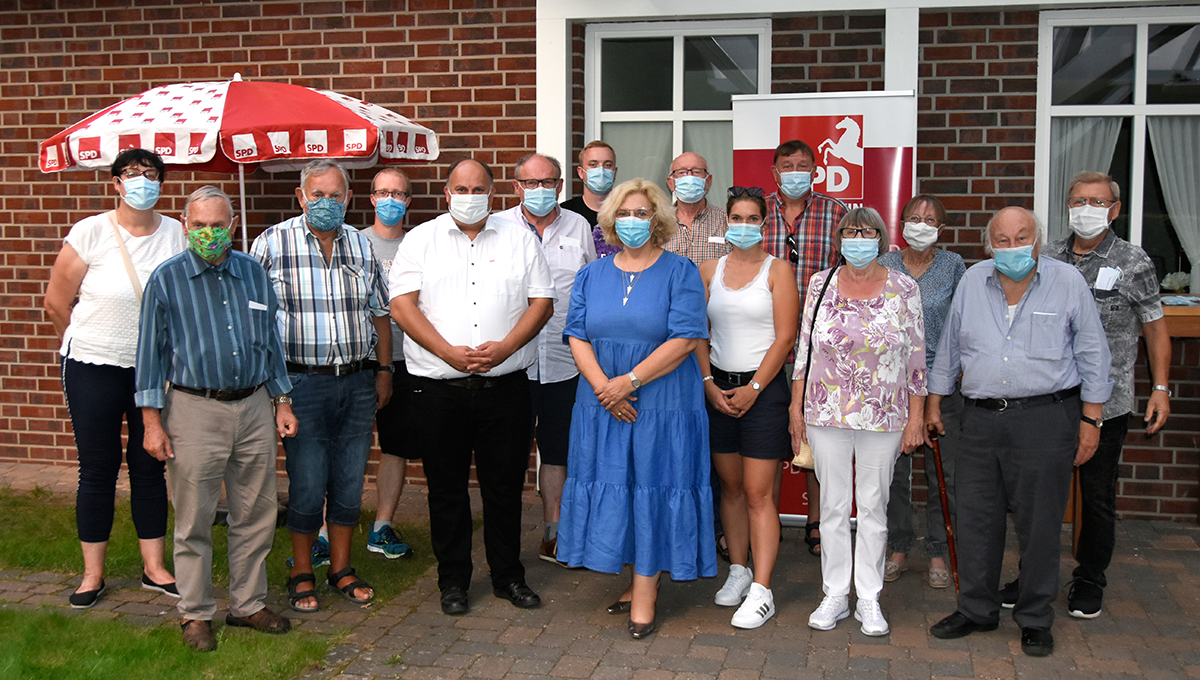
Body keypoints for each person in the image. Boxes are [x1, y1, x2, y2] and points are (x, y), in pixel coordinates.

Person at [927, 207, 1112, 657]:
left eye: (1022, 237)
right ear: (990, 245)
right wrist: (933, 403)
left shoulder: (1067, 282)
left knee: (1040, 524)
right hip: (978, 419)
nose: (1013, 248)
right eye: (1003, 240)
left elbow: (1093, 354)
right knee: (975, 519)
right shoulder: (973, 281)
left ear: (1038, 239)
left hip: (1045, 419)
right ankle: (976, 609)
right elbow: (950, 348)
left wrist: (1091, 421)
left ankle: (1034, 618)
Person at [136, 186, 298, 651]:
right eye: (200, 225)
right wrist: (151, 422)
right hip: (193, 409)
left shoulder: (252, 273)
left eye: (218, 224)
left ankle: (247, 604)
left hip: (252, 407)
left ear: (233, 226)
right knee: (194, 518)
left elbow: (270, 342)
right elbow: (149, 357)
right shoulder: (165, 280)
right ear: (185, 227)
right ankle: (195, 612)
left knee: (256, 512)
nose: (210, 233)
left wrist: (282, 400)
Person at [390, 158, 554, 617]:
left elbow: (542, 302)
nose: (469, 196)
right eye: (460, 188)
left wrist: (504, 349)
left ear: (493, 192)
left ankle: (508, 576)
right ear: (446, 193)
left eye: (478, 188)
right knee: (446, 489)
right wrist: (446, 351)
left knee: (504, 487)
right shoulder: (420, 240)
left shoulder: (521, 239)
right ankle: (453, 580)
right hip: (438, 389)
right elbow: (402, 307)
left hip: (506, 386)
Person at [558, 178, 716, 641]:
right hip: (602, 401)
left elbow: (686, 336)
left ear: (658, 220)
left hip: (662, 401)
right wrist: (605, 388)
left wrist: (628, 382)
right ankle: (634, 578)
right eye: (623, 214)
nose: (631, 222)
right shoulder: (591, 273)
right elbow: (576, 333)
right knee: (620, 486)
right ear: (609, 221)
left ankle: (646, 592)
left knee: (653, 484)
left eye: (641, 213)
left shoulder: (680, 270)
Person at [43, 148, 183, 609]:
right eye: (131, 174)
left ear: (162, 183)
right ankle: (92, 574)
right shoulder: (90, 232)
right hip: (92, 366)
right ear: (116, 184)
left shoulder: (176, 234)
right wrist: (84, 344)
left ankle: (155, 569)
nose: (142, 181)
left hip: (153, 372)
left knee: (149, 466)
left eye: (151, 174)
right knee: (98, 467)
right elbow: (56, 303)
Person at [251, 159, 392, 613]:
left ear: (348, 199)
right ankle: (301, 571)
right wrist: (278, 394)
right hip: (299, 384)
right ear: (301, 196)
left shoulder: (361, 246)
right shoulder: (271, 244)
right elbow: (257, 327)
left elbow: (380, 314)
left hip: (355, 381)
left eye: (335, 195)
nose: (326, 203)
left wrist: (384, 371)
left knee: (350, 481)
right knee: (308, 482)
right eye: (317, 194)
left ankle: (341, 569)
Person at [1032, 171, 1170, 618]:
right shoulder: (1048, 255)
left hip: (1106, 402)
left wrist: (1161, 388)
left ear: (1114, 210)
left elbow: (1155, 327)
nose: (1085, 209)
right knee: (1039, 493)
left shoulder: (1133, 261)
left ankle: (1090, 578)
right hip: (1048, 398)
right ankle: (1034, 574)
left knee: (1096, 496)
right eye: (1077, 200)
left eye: (1096, 201)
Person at [790, 207, 927, 638]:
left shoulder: (904, 287)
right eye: (850, 232)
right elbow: (803, 350)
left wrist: (916, 417)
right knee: (831, 505)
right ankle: (834, 593)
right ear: (838, 239)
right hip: (826, 410)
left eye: (867, 232)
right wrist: (796, 409)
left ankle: (868, 595)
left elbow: (918, 358)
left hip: (884, 413)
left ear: (881, 238)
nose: (858, 239)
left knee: (873, 506)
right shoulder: (820, 283)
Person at [695, 186, 799, 629]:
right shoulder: (706, 270)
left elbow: (786, 337)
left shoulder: (779, 271)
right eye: (734, 218)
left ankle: (762, 588)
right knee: (731, 489)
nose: (742, 226)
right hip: (718, 389)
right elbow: (696, 332)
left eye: (751, 218)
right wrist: (707, 385)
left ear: (763, 224)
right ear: (726, 223)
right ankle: (738, 570)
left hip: (764, 393)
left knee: (759, 494)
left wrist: (756, 387)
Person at [494, 153, 597, 564]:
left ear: (560, 185)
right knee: (508, 451)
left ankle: (554, 531)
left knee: (558, 450)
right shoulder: (497, 227)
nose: (540, 190)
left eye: (548, 182)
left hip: (564, 359)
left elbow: (587, 289)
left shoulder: (579, 227)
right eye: (531, 183)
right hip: (511, 360)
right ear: (517, 187)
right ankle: (504, 537)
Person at [762, 139, 848, 557]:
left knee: (816, 440)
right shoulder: (757, 212)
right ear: (775, 172)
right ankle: (768, 520)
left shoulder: (836, 212)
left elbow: (852, 271)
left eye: (803, 165)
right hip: (764, 343)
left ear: (815, 169)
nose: (795, 171)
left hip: (820, 346)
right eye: (787, 165)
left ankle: (816, 522)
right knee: (768, 438)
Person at [879, 195, 966, 589]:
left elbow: (963, 323)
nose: (921, 224)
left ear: (941, 229)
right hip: (892, 384)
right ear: (901, 224)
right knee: (894, 473)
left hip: (942, 384)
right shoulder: (885, 265)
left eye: (930, 219)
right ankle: (898, 545)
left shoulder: (953, 266)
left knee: (941, 472)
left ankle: (937, 551)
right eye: (914, 218)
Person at [360, 167, 418, 560]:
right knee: (346, 449)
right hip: (359, 361)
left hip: (406, 360)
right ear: (371, 199)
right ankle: (329, 533)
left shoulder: (420, 245)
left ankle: (382, 526)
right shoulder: (354, 243)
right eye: (383, 193)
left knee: (396, 447)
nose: (391, 200)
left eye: (398, 194)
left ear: (409, 201)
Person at [663, 152, 730, 264]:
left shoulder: (727, 221)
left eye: (696, 172)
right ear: (671, 183)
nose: (689, 177)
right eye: (682, 172)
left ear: (708, 181)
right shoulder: (658, 223)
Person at [560, 140, 621, 257]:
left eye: (607, 165)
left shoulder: (628, 212)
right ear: (580, 172)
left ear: (615, 172)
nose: (601, 171)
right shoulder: (565, 213)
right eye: (593, 165)